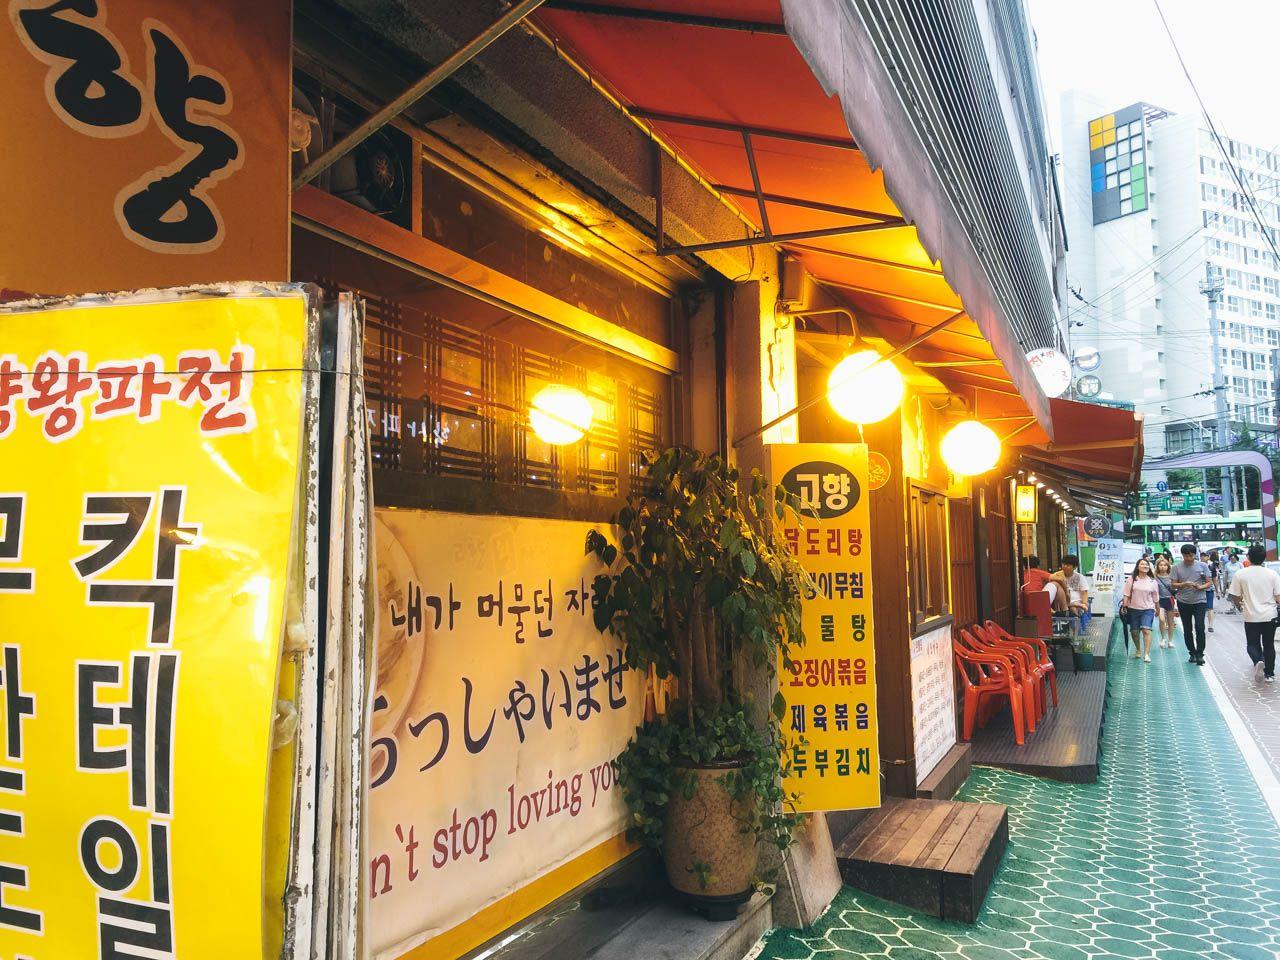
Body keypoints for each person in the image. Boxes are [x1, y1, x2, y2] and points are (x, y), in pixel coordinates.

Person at [1226, 544, 1280, 683]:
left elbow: (1235, 596)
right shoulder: (1272, 574)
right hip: (1270, 615)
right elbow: (1278, 597)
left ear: (1248, 557)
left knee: (1252, 644)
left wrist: (1240, 606)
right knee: (1268, 644)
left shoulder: (1240, 574)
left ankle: (1258, 661)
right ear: (1264, 558)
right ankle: (1269, 674)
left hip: (1251, 615)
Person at [1171, 544, 1212, 665]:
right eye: (1186, 555)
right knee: (1187, 629)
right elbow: (1173, 584)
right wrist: (1184, 584)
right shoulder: (1176, 567)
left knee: (1200, 627)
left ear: (1195, 554)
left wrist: (1200, 586)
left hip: (1200, 601)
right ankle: (1192, 653)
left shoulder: (1203, 566)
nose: (1189, 558)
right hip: (1183, 601)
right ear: (1182, 555)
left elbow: (1208, 582)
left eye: (1191, 555)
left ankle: (1200, 653)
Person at [1122, 556, 1159, 662]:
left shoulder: (1152, 581)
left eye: (1147, 564)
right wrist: (1124, 606)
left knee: (1146, 630)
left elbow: (1156, 597)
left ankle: (1146, 654)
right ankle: (1138, 648)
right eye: (1142, 564)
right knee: (1134, 631)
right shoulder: (1132, 579)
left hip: (1148, 609)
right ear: (1138, 567)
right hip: (1133, 609)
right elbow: (1126, 594)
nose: (1145, 566)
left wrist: (1158, 609)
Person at [1052, 555, 1090, 636]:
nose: (1065, 566)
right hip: (1061, 603)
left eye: (1068, 565)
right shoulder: (1057, 575)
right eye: (1064, 564)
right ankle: (1073, 633)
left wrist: (1084, 603)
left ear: (1074, 567)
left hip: (1077, 602)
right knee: (1071, 608)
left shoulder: (1080, 577)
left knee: (1073, 609)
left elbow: (1084, 592)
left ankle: (1074, 633)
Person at [1154, 555, 1177, 649]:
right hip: (1159, 600)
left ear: (1168, 566)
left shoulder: (1171, 577)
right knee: (1162, 619)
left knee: (1171, 621)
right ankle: (1163, 638)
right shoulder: (1155, 577)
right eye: (1161, 565)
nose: (1163, 566)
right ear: (1157, 566)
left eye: (1165, 565)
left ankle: (1170, 640)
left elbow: (1175, 588)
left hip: (1169, 600)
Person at [1202, 551, 1219, 634]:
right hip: (1199, 590)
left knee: (1210, 607)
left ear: (1208, 557)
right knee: (1200, 608)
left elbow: (1215, 579)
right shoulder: (1197, 566)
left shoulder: (1212, 566)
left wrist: (1217, 591)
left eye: (1204, 556)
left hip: (1209, 589)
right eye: (1202, 556)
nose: (1203, 557)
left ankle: (1210, 625)